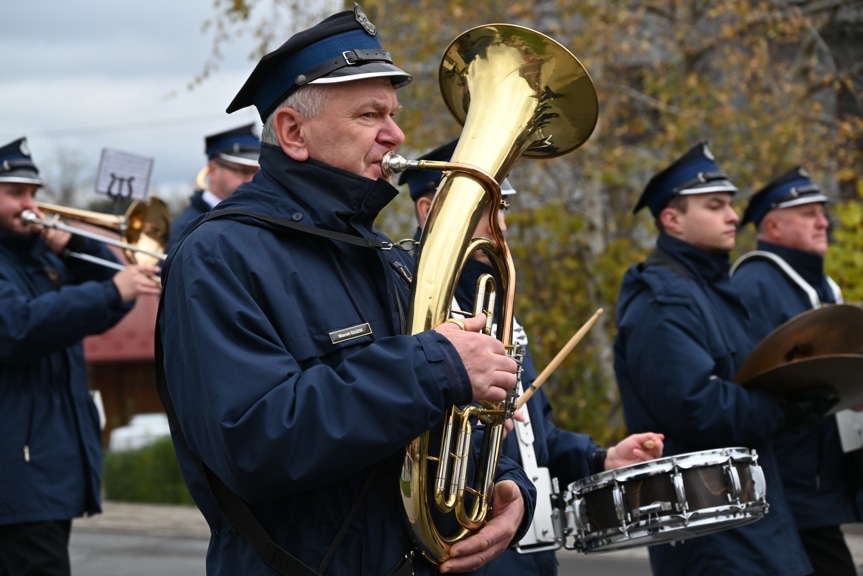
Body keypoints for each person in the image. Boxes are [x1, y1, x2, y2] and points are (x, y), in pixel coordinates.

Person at [156, 5, 536, 576]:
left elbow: (464, 413)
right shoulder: (220, 255)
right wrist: (435, 367)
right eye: (369, 114)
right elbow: (253, 442)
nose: (396, 133)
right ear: (293, 132)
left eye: (393, 113)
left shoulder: (385, 256)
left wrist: (508, 481)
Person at [402, 138, 665, 575]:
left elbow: (530, 431)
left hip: (529, 546)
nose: (502, 226)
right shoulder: (410, 305)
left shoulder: (499, 304)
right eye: (489, 207)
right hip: (463, 546)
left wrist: (600, 458)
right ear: (430, 211)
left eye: (503, 207)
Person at [612, 142, 835, 575]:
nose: (733, 216)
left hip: (748, 513)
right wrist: (785, 411)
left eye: (730, 205)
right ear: (672, 220)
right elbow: (695, 406)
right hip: (708, 525)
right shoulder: (664, 299)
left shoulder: (710, 289)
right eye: (715, 206)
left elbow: (750, 379)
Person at [0, 137, 162, 575]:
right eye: (15, 193)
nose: (30, 204)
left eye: (33, 193)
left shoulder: (36, 254)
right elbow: (17, 328)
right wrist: (110, 291)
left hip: (45, 467)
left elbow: (117, 299)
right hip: (19, 470)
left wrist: (75, 244)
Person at [732, 166, 863, 576]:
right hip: (790, 481)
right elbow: (755, 379)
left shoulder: (817, 284)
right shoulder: (754, 284)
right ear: (772, 224)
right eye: (809, 213)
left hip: (818, 480)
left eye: (823, 212)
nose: (824, 222)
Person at [167, 123, 260, 254]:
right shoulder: (186, 227)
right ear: (212, 169)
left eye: (256, 172)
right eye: (243, 171)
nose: (251, 180)